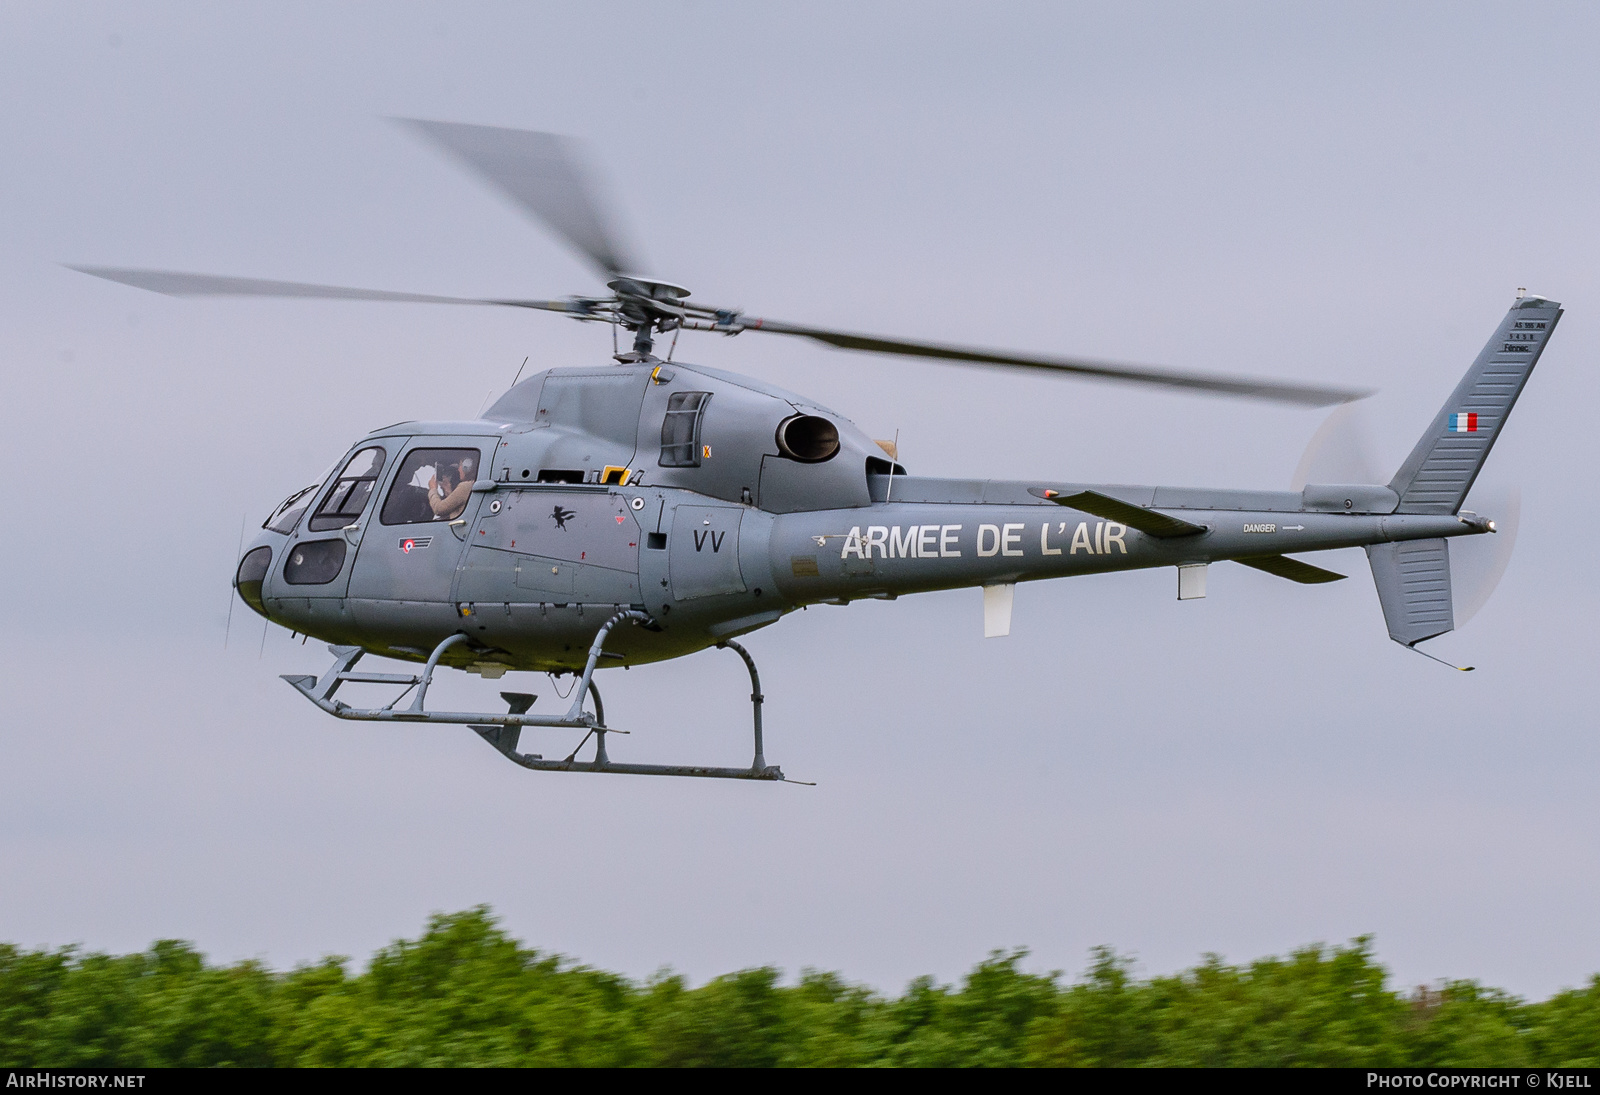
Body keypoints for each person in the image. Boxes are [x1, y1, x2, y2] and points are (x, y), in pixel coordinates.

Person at [428, 454, 476, 520]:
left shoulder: (465, 487)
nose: (458, 469)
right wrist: (448, 489)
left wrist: (433, 489)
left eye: (460, 466)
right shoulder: (472, 485)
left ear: (467, 468)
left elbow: (439, 509)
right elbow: (456, 505)